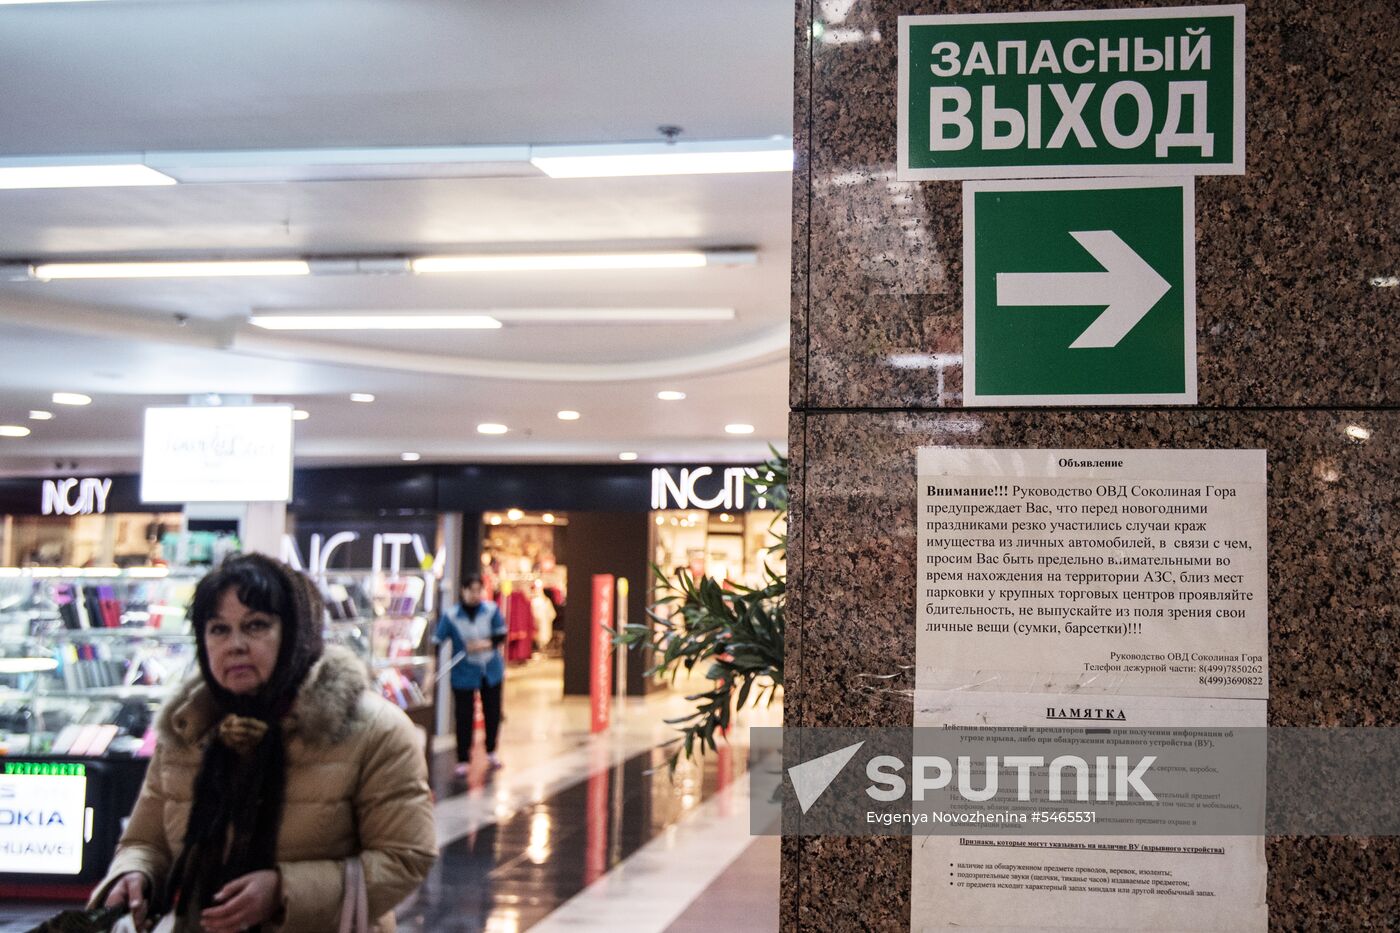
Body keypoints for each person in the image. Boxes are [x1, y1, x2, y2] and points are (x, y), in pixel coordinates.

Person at [91, 553, 437, 932]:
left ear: (295, 634)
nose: (234, 645)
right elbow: (146, 841)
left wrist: (284, 891)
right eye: (218, 629)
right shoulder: (188, 728)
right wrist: (134, 876)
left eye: (256, 626)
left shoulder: (374, 731)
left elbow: (405, 859)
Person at [434, 575, 507, 775]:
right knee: (463, 715)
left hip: (491, 671)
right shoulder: (451, 615)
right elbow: (437, 639)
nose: (475, 595)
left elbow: (501, 635)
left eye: (478, 590)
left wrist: (483, 644)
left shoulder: (491, 610)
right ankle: (463, 758)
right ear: (463, 590)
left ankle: (491, 749)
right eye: (471, 590)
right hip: (463, 672)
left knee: (492, 712)